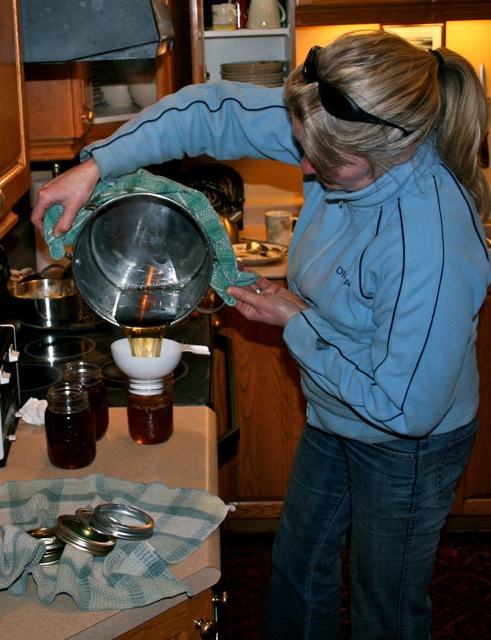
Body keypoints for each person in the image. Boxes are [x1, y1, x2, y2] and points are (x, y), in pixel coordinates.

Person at [32, 30, 490, 640]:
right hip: (335, 410)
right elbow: (209, 112)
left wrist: (297, 323)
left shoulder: (430, 242)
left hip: (408, 445)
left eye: (325, 165)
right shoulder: (339, 126)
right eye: (302, 143)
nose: (303, 166)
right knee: (299, 565)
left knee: (386, 606)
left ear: (390, 154)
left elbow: (404, 407)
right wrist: (97, 164)